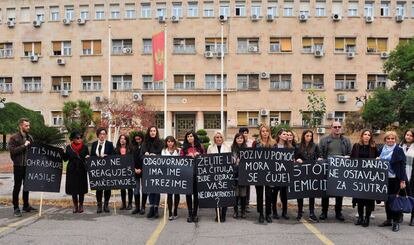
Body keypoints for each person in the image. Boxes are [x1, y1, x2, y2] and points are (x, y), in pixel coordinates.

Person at [319, 121, 352, 221]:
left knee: (339, 191)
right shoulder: (324, 140)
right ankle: (324, 212)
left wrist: (348, 157)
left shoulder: (346, 140)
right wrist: (321, 159)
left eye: (339, 127)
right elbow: (320, 153)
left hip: (341, 169)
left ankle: (338, 212)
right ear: (331, 128)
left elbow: (350, 153)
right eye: (335, 127)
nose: (337, 128)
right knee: (325, 191)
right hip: (328, 168)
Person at [379, 131, 407, 232]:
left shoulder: (398, 150)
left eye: (392, 139)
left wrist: (402, 180)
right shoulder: (381, 149)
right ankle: (388, 219)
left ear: (395, 140)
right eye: (388, 138)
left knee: (395, 200)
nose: (390, 140)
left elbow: (402, 165)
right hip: (384, 178)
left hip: (396, 179)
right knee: (387, 200)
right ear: (385, 140)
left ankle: (396, 222)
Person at [350, 130, 379, 227]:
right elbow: (352, 159)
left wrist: (378, 159)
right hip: (359, 176)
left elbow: (378, 159)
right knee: (359, 197)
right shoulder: (356, 146)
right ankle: (360, 217)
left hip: (370, 176)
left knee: (369, 198)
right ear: (362, 136)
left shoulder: (373, 147)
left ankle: (367, 218)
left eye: (369, 135)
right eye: (365, 134)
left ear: (371, 137)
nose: (367, 136)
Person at [8, 118, 36, 217]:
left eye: (29, 125)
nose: (28, 127)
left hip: (28, 166)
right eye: (26, 126)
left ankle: (26, 205)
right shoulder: (14, 138)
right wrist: (24, 145)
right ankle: (16, 208)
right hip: (18, 166)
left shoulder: (30, 137)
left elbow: (34, 151)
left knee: (27, 186)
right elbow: (13, 152)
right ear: (21, 126)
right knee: (17, 187)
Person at [294, 129, 322, 222]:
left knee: (311, 193)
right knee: (300, 192)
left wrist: (319, 158)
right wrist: (297, 160)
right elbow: (294, 157)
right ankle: (299, 211)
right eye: (307, 136)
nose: (309, 138)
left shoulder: (315, 145)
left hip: (311, 172)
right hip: (301, 172)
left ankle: (311, 212)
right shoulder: (298, 146)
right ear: (303, 136)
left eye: (310, 136)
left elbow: (319, 156)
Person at [252, 124, 275, 223]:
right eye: (263, 131)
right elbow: (251, 157)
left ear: (269, 132)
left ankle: (268, 214)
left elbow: (278, 157)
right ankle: (261, 213)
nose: (265, 133)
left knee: (269, 194)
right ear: (260, 133)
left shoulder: (274, 143)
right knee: (259, 194)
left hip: (270, 172)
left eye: (266, 131)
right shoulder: (255, 143)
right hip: (259, 172)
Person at [180, 130, 205, 223]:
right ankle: (190, 213)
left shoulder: (200, 147)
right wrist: (187, 156)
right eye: (188, 136)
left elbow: (206, 158)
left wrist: (200, 155)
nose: (190, 138)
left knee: (196, 195)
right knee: (188, 194)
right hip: (188, 174)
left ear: (194, 137)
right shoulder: (184, 148)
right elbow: (180, 160)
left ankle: (195, 213)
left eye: (191, 136)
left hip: (198, 174)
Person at [207, 131, 231, 222]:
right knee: (216, 194)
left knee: (224, 194)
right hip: (214, 174)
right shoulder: (210, 148)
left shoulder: (228, 147)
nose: (219, 139)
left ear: (223, 138)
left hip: (225, 174)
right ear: (214, 138)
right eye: (217, 137)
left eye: (220, 137)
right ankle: (218, 213)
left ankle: (224, 214)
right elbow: (208, 161)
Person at [63, 130, 89, 213]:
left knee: (81, 188)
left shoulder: (84, 147)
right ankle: (75, 205)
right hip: (72, 169)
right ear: (73, 139)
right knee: (73, 188)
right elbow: (65, 159)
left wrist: (88, 157)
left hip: (81, 169)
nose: (79, 139)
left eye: (80, 137)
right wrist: (62, 152)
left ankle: (81, 205)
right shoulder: (68, 147)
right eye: (77, 138)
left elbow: (87, 158)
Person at [141, 126, 164, 219]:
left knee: (157, 190)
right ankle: (151, 208)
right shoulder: (145, 143)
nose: (152, 132)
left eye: (154, 131)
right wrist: (145, 155)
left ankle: (156, 209)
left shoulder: (161, 143)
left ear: (156, 132)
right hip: (148, 171)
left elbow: (163, 156)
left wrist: (156, 156)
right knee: (150, 190)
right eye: (151, 131)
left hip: (158, 170)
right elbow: (140, 156)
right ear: (148, 132)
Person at [91, 127, 115, 213]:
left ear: (105, 135)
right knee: (99, 188)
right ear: (98, 135)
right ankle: (99, 205)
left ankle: (106, 205)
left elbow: (113, 156)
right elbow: (92, 157)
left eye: (104, 134)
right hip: (97, 171)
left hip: (107, 170)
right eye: (100, 134)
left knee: (107, 188)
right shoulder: (94, 144)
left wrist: (107, 156)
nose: (102, 135)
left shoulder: (109, 144)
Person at [272, 128, 292, 220]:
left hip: (285, 174)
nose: (286, 136)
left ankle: (284, 212)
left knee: (284, 195)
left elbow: (292, 160)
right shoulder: (274, 146)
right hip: (275, 173)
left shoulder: (290, 147)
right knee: (274, 193)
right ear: (279, 135)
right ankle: (274, 212)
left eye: (287, 134)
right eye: (284, 134)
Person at [162, 136, 181, 220]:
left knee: (177, 194)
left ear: (174, 142)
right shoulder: (163, 151)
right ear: (166, 142)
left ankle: (175, 209)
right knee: (169, 194)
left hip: (177, 175)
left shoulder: (178, 151)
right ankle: (170, 212)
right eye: (168, 141)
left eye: (172, 141)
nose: (170, 143)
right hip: (168, 175)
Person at [231, 133, 247, 219]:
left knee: (243, 194)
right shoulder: (232, 149)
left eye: (241, 138)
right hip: (234, 174)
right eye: (238, 138)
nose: (240, 139)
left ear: (243, 139)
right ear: (235, 139)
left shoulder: (247, 149)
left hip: (244, 174)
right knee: (236, 194)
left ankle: (243, 211)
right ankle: (235, 211)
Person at [115, 134, 133, 210]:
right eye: (121, 138)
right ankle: (124, 204)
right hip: (120, 171)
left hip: (128, 170)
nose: (122, 140)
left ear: (127, 140)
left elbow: (133, 159)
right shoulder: (116, 149)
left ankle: (130, 204)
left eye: (124, 139)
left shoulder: (130, 149)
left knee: (129, 188)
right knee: (122, 188)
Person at [130, 131, 147, 215]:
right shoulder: (132, 147)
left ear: (142, 137)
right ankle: (137, 207)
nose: (137, 139)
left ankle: (143, 207)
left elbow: (146, 159)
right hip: (135, 170)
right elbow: (130, 159)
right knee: (136, 190)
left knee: (144, 190)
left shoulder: (145, 146)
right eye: (136, 137)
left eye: (139, 137)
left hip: (144, 171)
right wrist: (134, 169)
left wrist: (141, 169)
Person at [400, 128, 414, 226]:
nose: (408, 137)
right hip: (401, 176)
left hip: (412, 176)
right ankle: (399, 215)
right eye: (407, 135)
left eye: (411, 135)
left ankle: (413, 217)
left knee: (412, 197)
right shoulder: (400, 146)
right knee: (400, 196)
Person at [238, 127, 252, 211]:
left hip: (248, 168)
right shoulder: (237, 140)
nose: (244, 134)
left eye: (246, 132)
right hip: (239, 168)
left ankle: (246, 203)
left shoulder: (251, 143)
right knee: (239, 186)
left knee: (248, 186)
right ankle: (239, 203)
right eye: (243, 133)